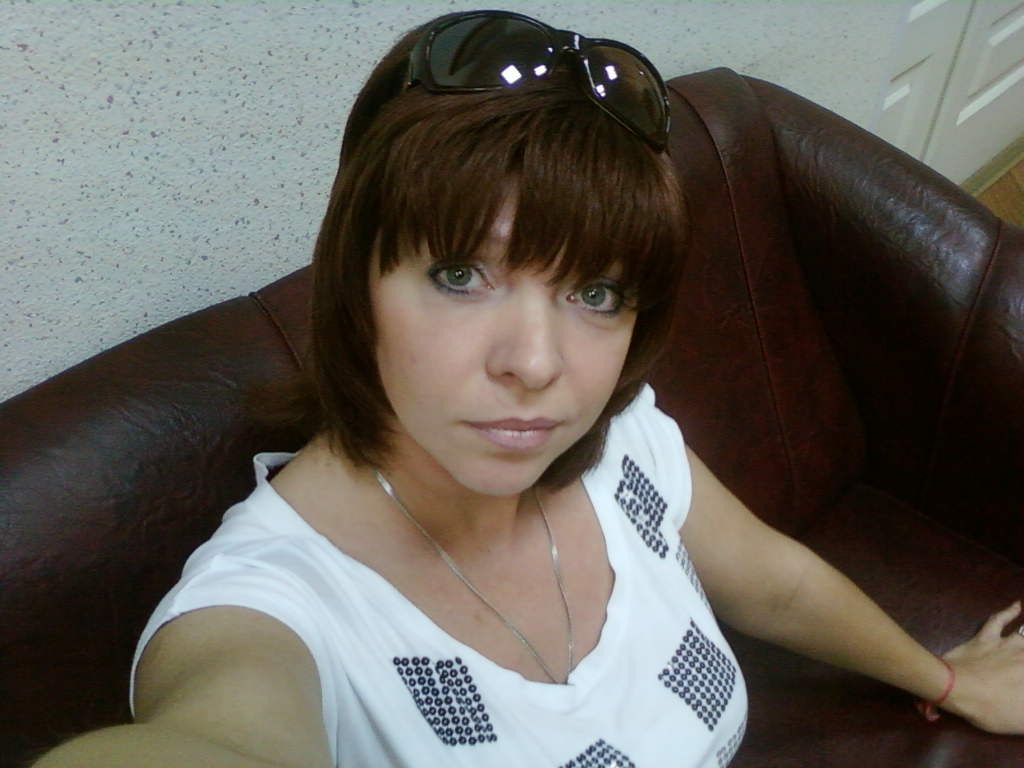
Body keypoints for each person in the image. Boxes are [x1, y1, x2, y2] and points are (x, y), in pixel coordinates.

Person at [34, 10, 1024, 768]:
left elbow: (770, 578)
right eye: (460, 274)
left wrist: (947, 679)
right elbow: (220, 732)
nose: (538, 364)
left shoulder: (621, 443)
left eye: (596, 293)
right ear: (356, 284)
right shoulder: (277, 611)